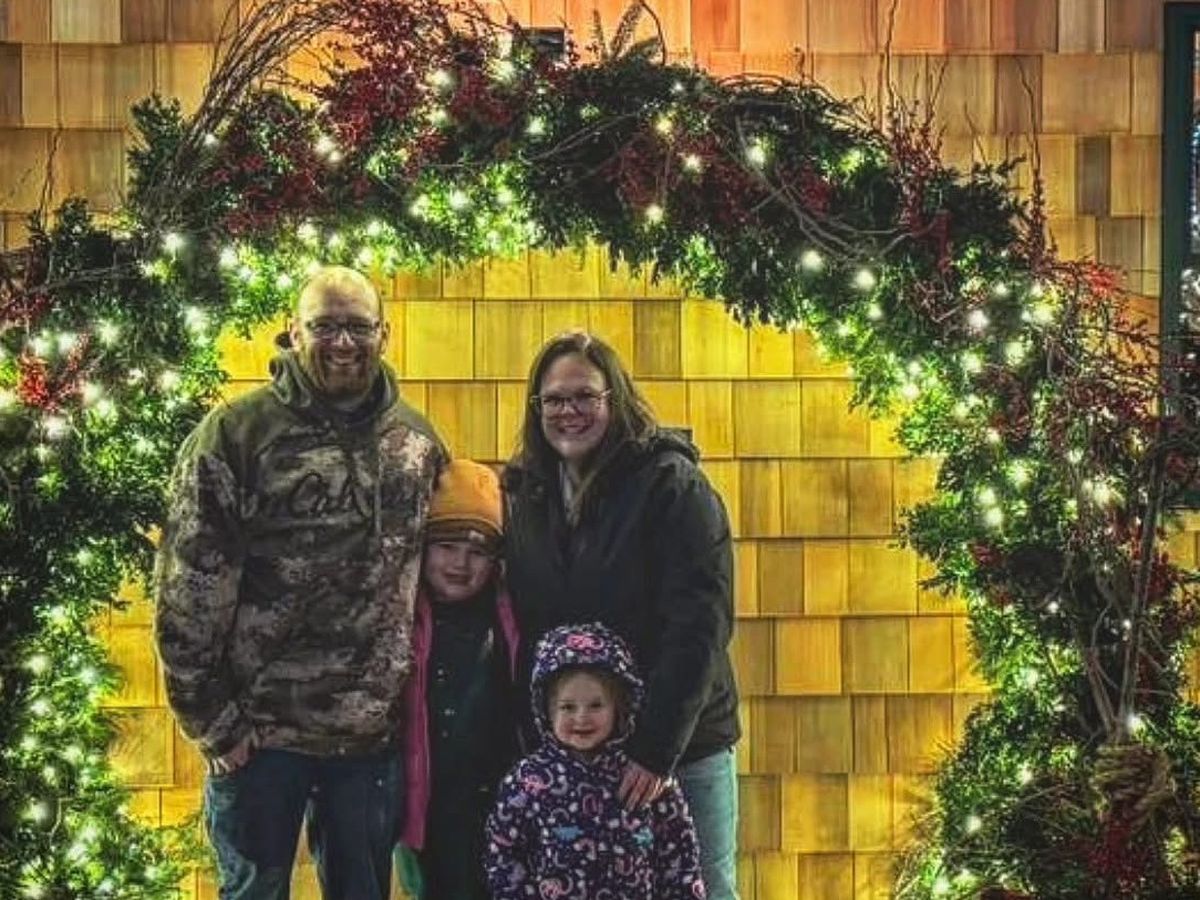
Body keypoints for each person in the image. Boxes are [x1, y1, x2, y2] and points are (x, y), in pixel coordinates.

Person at [154, 265, 445, 900]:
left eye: (358, 327)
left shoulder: (416, 442)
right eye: (324, 326)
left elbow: (445, 577)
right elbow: (188, 587)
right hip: (260, 736)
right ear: (293, 331)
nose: (343, 342)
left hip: (370, 738)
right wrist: (212, 722)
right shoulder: (235, 436)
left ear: (384, 334)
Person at [502, 331, 741, 899]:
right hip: (577, 755)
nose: (569, 411)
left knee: (702, 889)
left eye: (585, 396)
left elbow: (699, 624)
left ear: (617, 398)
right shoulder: (529, 494)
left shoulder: (671, 486)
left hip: (677, 748)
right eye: (554, 399)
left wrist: (655, 749)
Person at [484, 623, 705, 900]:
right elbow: (504, 854)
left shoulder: (644, 779)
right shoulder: (528, 782)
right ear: (546, 711)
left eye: (596, 705)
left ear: (618, 707)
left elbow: (680, 859)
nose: (581, 718)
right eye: (568, 707)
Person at [396, 459, 520, 900]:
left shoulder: (511, 615)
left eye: (477, 552)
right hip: (427, 807)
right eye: (446, 547)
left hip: (501, 803)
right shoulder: (403, 617)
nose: (460, 563)